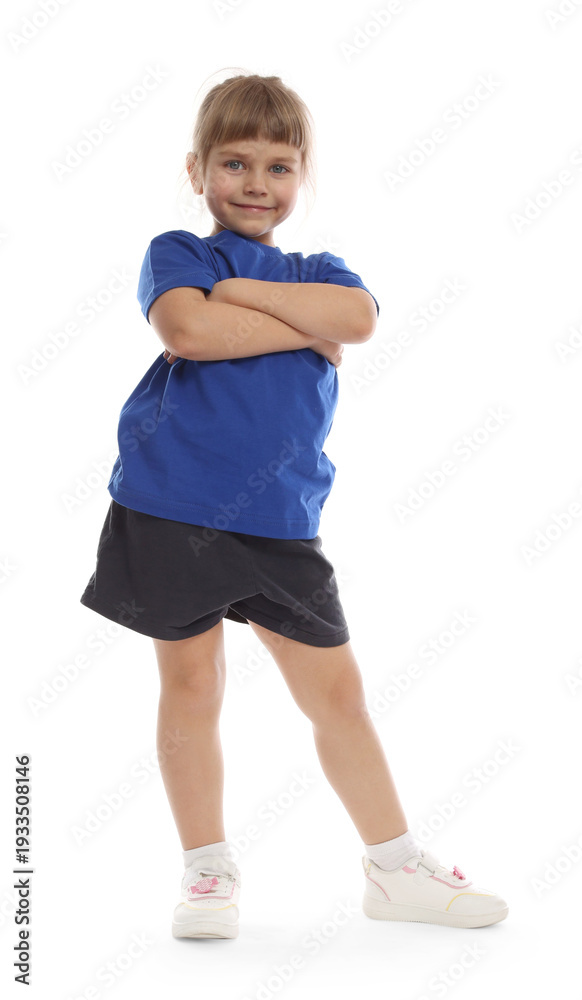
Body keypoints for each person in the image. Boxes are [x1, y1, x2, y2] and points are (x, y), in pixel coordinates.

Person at [79, 70, 508, 940]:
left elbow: (357, 320)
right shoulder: (181, 254)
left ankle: (393, 868)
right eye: (234, 163)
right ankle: (207, 870)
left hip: (280, 519)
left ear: (301, 175)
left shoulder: (323, 270)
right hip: (173, 504)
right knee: (192, 684)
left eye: (278, 166)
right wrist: (298, 326)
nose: (256, 184)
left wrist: (247, 299)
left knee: (337, 694)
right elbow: (188, 331)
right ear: (197, 170)